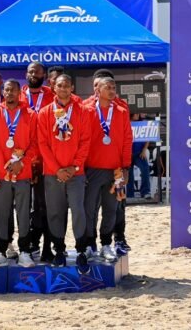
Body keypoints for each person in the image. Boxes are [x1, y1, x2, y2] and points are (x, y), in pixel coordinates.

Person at [36, 73, 92, 267]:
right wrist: (57, 169)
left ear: (72, 88)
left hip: (76, 172)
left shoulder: (82, 111)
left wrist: (74, 166)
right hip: (53, 173)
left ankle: (81, 250)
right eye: (60, 86)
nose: (63, 89)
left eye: (67, 86)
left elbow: (85, 142)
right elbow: (42, 144)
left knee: (78, 211)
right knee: (55, 212)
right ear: (54, 88)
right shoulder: (44, 112)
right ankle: (58, 249)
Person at [0, 78, 37, 267]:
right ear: (3, 92)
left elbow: (35, 145)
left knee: (23, 213)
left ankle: (24, 251)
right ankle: (1, 251)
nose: (9, 93)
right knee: (1, 213)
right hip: (1, 175)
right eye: (6, 90)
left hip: (22, 174)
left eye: (13, 90)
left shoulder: (30, 115)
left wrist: (22, 163)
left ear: (19, 93)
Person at [82, 76, 133, 261]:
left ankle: (106, 244)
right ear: (98, 90)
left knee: (111, 209)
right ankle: (89, 243)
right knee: (89, 209)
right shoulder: (87, 111)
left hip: (115, 170)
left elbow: (127, 140)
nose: (112, 91)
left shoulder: (120, 112)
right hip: (92, 169)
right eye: (108, 87)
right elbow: (82, 141)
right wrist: (82, 167)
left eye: (114, 87)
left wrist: (126, 167)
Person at [20, 63, 54, 262]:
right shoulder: (19, 95)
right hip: (23, 160)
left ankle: (48, 246)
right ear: (26, 74)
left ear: (44, 75)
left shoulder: (52, 95)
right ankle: (31, 243)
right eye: (31, 71)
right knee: (27, 207)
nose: (34, 74)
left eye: (38, 72)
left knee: (45, 205)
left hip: (46, 161)